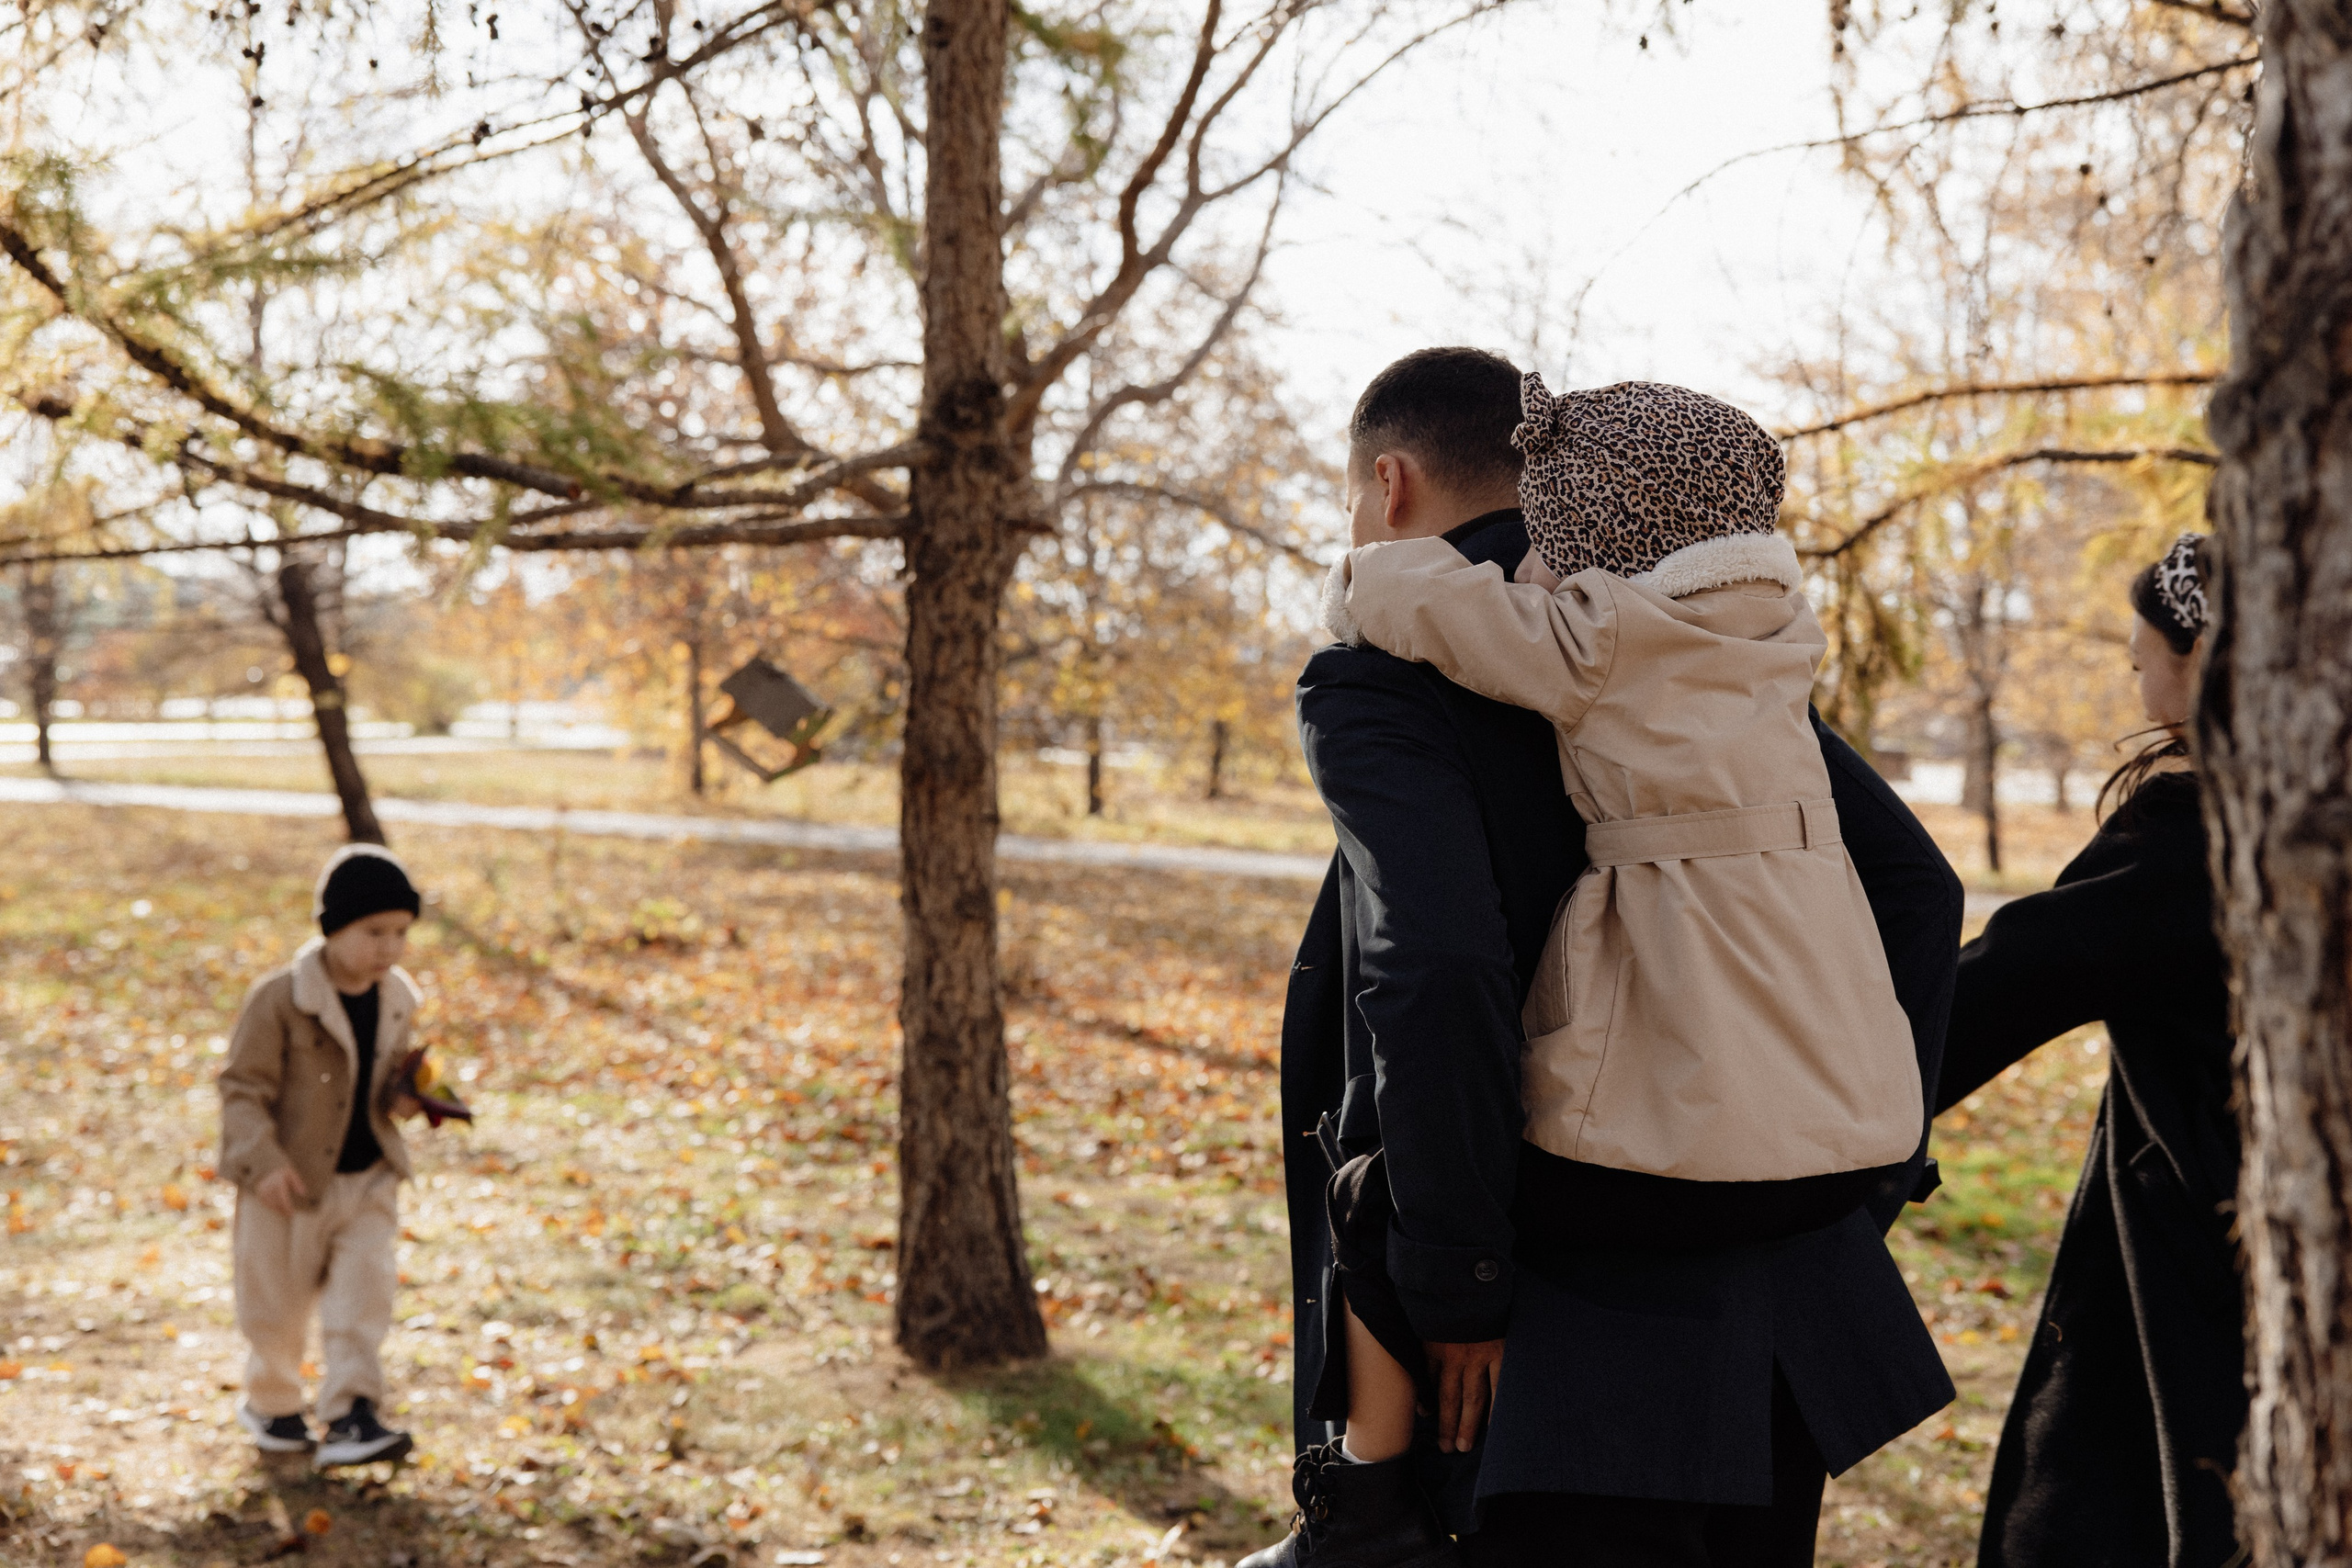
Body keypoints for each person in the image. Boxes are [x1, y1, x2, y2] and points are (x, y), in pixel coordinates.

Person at [1265, 347, 1962, 1568]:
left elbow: (1434, 970)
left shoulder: (1388, 672)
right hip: (1778, 1293)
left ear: (1389, 483)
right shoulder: (1696, 644)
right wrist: (1857, 1152)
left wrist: (1460, 1275)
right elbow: (1919, 886)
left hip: (1551, 1318)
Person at [1933, 533, 2242, 1568]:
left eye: (2140, 646)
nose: (2131, 668)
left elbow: (1979, 1004)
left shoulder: (2189, 839)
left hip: (2201, 1279)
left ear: (2203, 658)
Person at [220, 844, 434, 1469]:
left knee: (363, 1298)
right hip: (287, 1184)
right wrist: (263, 1162)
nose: (389, 947)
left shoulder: (398, 997)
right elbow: (241, 1088)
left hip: (367, 1179)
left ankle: (351, 1412)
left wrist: (408, 1096)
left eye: (400, 933)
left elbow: (381, 1078)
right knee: (275, 1308)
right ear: (334, 927)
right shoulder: (280, 999)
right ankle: (273, 1403)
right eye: (373, 932)